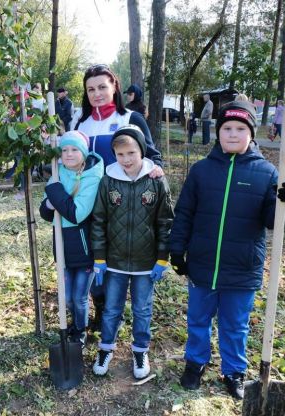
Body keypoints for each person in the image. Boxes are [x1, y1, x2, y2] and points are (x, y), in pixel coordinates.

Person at [169, 101, 285, 399]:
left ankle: (234, 371)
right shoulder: (201, 171)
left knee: (235, 325)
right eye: (226, 128)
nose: (232, 134)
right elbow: (185, 212)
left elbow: (273, 221)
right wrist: (177, 250)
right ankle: (196, 363)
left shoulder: (266, 173)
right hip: (202, 264)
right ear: (217, 132)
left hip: (241, 268)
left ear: (251, 134)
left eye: (240, 129)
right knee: (198, 319)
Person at [69, 64, 165, 330]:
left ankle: (119, 311)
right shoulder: (80, 122)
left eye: (102, 87)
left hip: (123, 205)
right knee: (94, 257)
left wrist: (156, 169)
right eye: (91, 89)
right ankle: (101, 309)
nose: (96, 93)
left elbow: (153, 155)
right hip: (88, 205)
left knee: (118, 260)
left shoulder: (131, 119)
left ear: (115, 88)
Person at [91, 124, 174, 379]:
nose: (126, 160)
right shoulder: (108, 180)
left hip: (145, 263)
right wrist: (99, 257)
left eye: (131, 153)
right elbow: (99, 220)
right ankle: (106, 348)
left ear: (142, 151)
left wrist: (162, 258)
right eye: (120, 154)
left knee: (142, 309)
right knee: (112, 308)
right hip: (114, 262)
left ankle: (140, 350)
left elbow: (165, 222)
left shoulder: (156, 181)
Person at [39, 131, 104, 347]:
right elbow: (47, 213)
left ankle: (80, 330)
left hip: (85, 249)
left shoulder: (92, 177)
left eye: (74, 149)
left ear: (83, 153)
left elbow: (76, 214)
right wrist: (48, 205)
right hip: (63, 245)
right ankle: (74, 324)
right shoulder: (57, 175)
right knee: (66, 298)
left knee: (79, 297)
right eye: (64, 150)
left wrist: (54, 193)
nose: (68, 154)